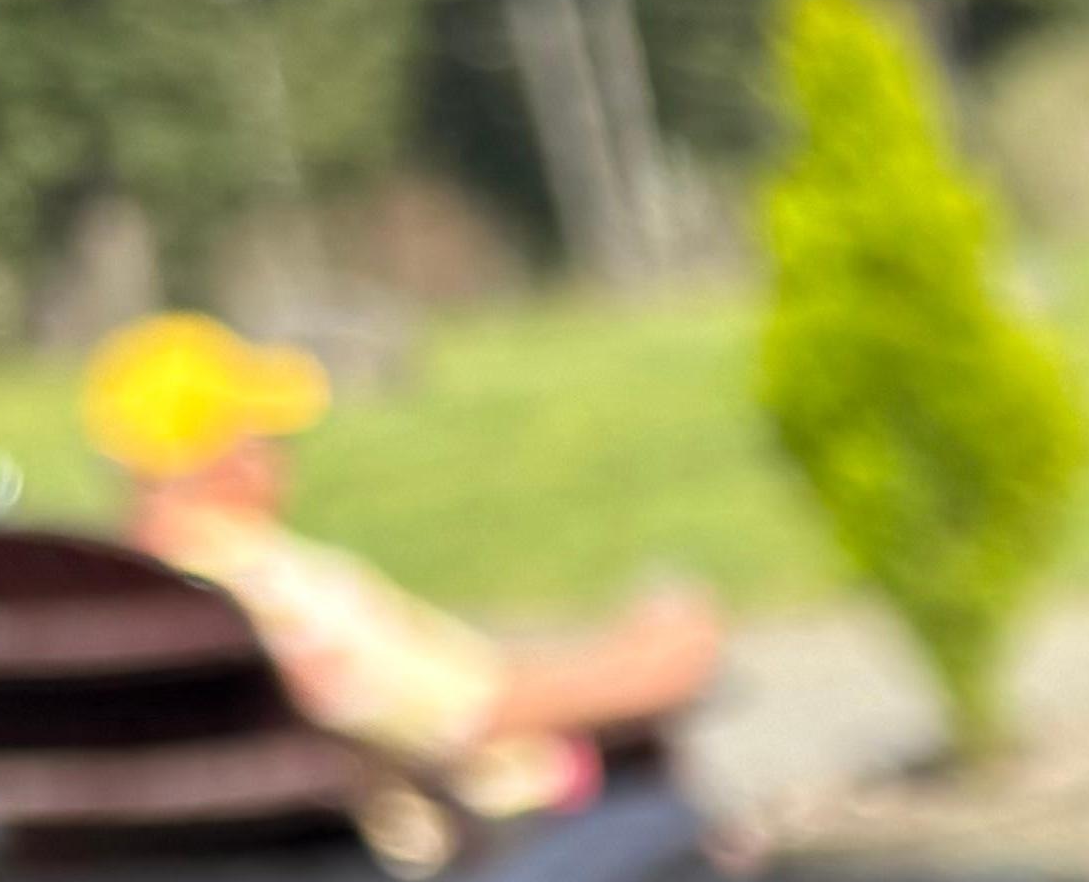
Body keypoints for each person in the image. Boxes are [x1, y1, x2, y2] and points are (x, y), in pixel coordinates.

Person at [81, 315, 719, 854]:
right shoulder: (264, 585)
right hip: (449, 864)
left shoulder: (105, 596)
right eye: (267, 438)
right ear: (230, 456)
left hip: (194, 872)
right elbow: (458, 715)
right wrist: (647, 671)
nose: (279, 457)